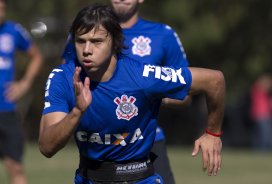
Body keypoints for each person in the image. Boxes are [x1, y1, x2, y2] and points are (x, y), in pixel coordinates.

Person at [39, 4, 225, 184]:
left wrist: (212, 134)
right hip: (88, 177)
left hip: (140, 178)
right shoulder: (62, 78)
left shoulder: (143, 77)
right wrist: (77, 112)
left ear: (115, 41)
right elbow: (46, 147)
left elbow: (214, 81)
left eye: (96, 41)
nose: (87, 50)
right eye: (81, 41)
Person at [62, 1, 190, 183]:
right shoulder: (85, 31)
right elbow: (66, 81)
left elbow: (187, 93)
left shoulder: (164, 34)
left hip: (148, 142)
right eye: (82, 42)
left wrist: (153, 98)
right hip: (100, 142)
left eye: (97, 41)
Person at [0, 0, 43, 184]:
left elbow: (37, 57)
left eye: (1, 8)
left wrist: (24, 84)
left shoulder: (14, 30)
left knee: (15, 166)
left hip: (6, 110)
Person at [249, 73, 272, 151]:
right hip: (261, 115)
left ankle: (262, 151)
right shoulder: (258, 88)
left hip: (265, 115)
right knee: (264, 135)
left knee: (265, 135)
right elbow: (266, 87)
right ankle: (262, 151)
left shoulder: (264, 92)